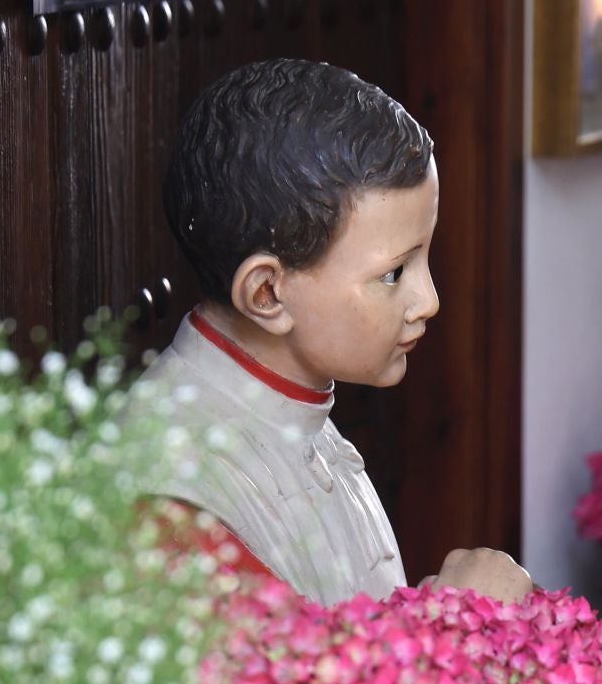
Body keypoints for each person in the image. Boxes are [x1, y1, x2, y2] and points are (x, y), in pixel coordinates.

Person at [134, 58, 534, 607]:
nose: (430, 301)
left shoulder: (292, 413)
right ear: (267, 294)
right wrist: (464, 617)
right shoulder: (176, 505)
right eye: (393, 273)